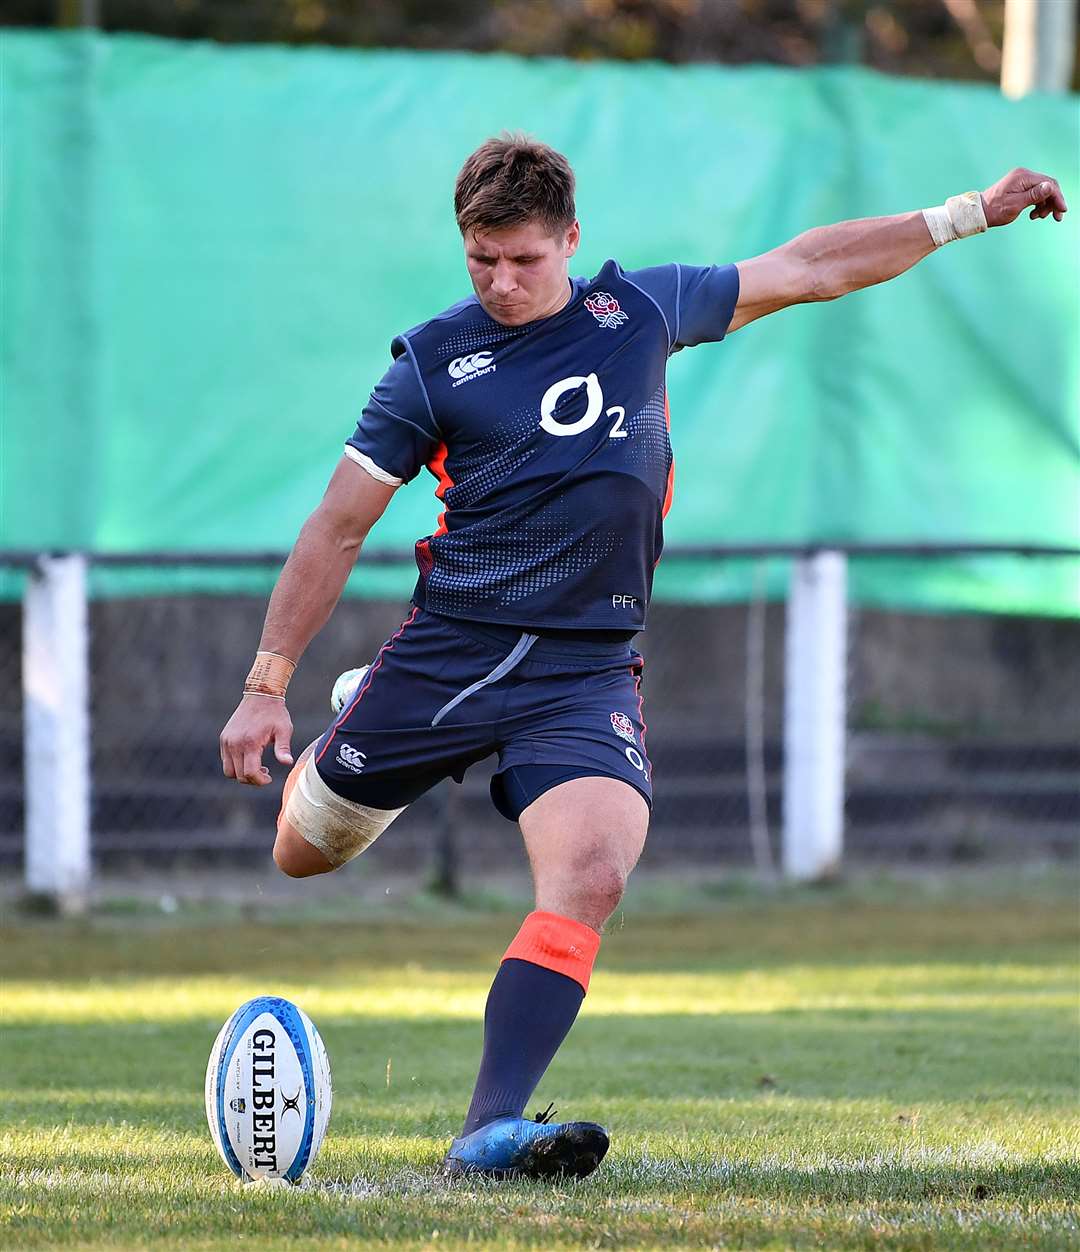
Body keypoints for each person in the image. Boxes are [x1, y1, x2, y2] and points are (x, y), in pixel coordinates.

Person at [219, 135, 1066, 1180]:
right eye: (481, 260)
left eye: (525, 259)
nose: (502, 282)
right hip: (451, 655)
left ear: (571, 240)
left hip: (585, 669)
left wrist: (966, 212)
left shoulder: (641, 312)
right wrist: (266, 686)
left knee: (592, 872)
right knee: (302, 852)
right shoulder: (434, 364)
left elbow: (808, 268)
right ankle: (361, 715)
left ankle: (488, 1130)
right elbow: (337, 526)